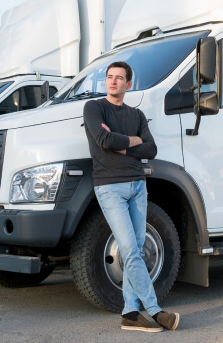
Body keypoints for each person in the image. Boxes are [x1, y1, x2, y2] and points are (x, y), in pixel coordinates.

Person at [83, 61, 180, 333]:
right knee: (130, 250)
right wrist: (133, 141)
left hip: (138, 185)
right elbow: (103, 141)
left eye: (119, 78)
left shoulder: (136, 114)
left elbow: (152, 148)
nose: (113, 82)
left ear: (128, 83)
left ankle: (130, 313)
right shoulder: (94, 108)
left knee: (135, 250)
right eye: (109, 78)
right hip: (110, 187)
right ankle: (155, 310)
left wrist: (122, 142)